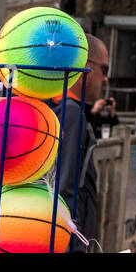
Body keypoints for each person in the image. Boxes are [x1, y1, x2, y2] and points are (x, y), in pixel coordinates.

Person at [52, 38, 110, 252]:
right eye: (103, 69)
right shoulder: (71, 113)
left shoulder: (53, 105)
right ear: (86, 68)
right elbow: (65, 188)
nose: (105, 79)